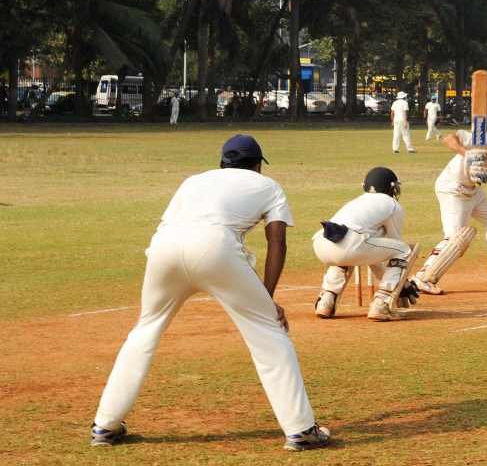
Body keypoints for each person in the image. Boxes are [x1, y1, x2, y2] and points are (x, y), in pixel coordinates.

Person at [90, 135, 329, 451]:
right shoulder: (268, 186)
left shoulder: (193, 181)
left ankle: (105, 426)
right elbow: (277, 242)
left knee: (145, 329)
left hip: (164, 248)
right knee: (268, 333)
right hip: (215, 247)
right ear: (258, 165)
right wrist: (266, 300)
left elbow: (177, 224)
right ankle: (300, 430)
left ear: (222, 163)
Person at [411, 113, 487, 294]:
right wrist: (466, 153)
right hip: (453, 189)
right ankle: (421, 278)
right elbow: (449, 138)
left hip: (474, 192)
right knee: (454, 238)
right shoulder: (482, 138)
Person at [312, 167, 421, 321]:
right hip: (351, 244)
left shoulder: (357, 201)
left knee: (347, 255)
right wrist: (402, 283)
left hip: (321, 243)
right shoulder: (392, 204)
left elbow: (372, 256)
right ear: (391, 187)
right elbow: (394, 246)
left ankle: (326, 300)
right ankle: (381, 303)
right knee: (403, 249)